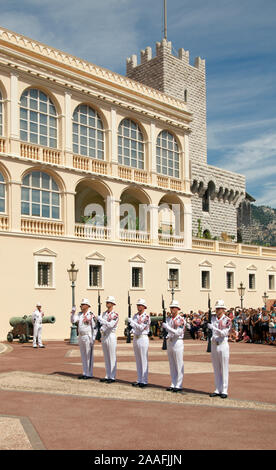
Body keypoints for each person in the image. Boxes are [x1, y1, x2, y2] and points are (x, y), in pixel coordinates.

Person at [208, 299, 232, 399]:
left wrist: (214, 328)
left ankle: (224, 390)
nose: (217, 310)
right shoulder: (213, 319)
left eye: (219, 309)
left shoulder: (227, 320)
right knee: (216, 368)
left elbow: (224, 333)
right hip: (214, 344)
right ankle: (218, 389)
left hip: (223, 344)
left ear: (223, 309)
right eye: (216, 308)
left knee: (224, 368)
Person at [162, 300, 185, 393]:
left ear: (178, 309)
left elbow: (178, 332)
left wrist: (167, 328)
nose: (172, 309)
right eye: (171, 308)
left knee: (178, 364)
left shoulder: (181, 320)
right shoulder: (169, 319)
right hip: (170, 342)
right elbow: (170, 332)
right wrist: (166, 334)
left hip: (178, 342)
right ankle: (173, 383)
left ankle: (179, 384)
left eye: (174, 308)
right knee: (172, 364)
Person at [70, 298, 97, 380]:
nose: (81, 306)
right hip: (81, 336)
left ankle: (89, 374)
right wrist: (73, 313)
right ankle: (85, 372)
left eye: (82, 304)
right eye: (81, 305)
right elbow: (73, 320)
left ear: (87, 305)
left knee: (89, 355)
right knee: (83, 355)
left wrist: (93, 338)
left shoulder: (91, 315)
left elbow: (95, 327)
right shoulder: (79, 314)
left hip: (88, 336)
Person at [128, 298, 151, 388]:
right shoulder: (135, 316)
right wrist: (131, 329)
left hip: (143, 338)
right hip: (136, 337)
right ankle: (139, 379)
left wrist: (132, 322)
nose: (139, 307)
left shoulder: (146, 317)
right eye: (138, 305)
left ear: (144, 307)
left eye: (140, 305)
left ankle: (144, 380)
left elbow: (141, 327)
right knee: (138, 360)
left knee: (143, 359)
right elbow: (135, 327)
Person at [98, 296, 119, 383]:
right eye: (107, 302)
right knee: (106, 357)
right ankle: (107, 375)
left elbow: (110, 325)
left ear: (113, 304)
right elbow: (103, 326)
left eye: (109, 302)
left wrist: (101, 320)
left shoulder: (115, 315)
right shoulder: (104, 314)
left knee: (112, 356)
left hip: (111, 335)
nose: (107, 304)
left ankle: (112, 376)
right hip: (105, 335)